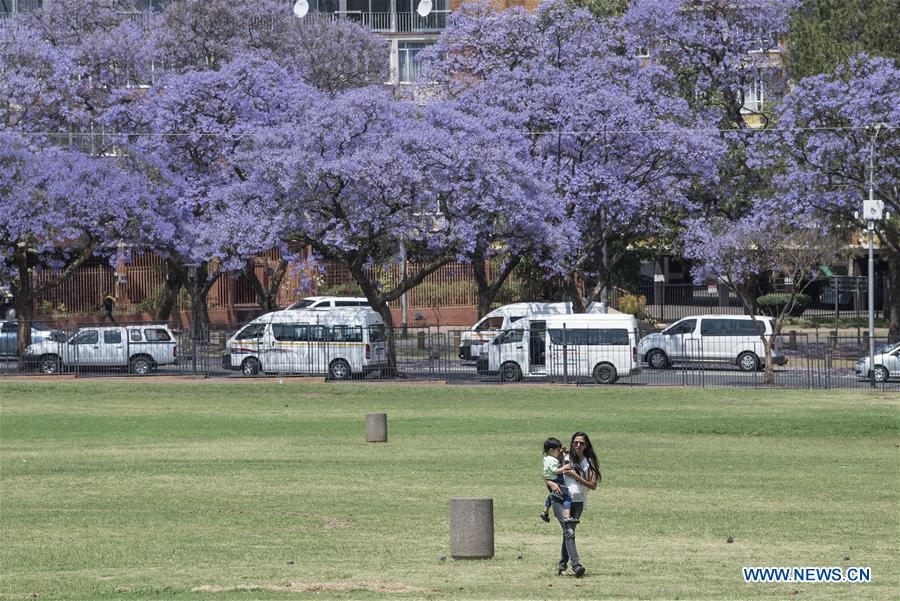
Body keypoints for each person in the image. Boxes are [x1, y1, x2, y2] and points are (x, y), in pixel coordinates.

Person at [546, 431, 600, 578]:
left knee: (568, 533)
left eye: (581, 443)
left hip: (578, 502)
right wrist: (550, 483)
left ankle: (562, 566)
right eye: (575, 442)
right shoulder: (564, 457)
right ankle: (576, 566)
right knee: (569, 531)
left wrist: (576, 476)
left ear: (586, 445)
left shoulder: (589, 462)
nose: (578, 445)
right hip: (559, 499)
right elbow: (546, 472)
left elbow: (593, 485)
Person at [540, 438, 579, 524]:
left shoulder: (546, 458)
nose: (560, 451)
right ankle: (567, 516)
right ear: (551, 450)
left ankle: (545, 511)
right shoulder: (553, 460)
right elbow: (556, 471)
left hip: (550, 480)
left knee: (552, 495)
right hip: (557, 480)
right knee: (567, 497)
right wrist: (565, 467)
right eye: (558, 450)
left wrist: (563, 451)